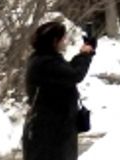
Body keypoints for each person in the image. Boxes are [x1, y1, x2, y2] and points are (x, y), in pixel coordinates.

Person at [22, 21, 96, 160]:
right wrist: (85, 56)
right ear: (54, 41)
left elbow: (68, 72)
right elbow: (74, 75)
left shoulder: (45, 59)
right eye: (63, 38)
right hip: (49, 133)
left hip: (54, 129)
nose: (65, 41)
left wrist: (84, 54)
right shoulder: (46, 63)